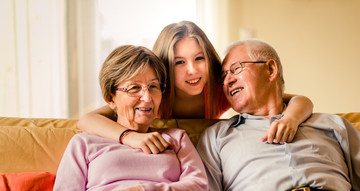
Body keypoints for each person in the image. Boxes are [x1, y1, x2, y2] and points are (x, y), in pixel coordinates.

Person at [197, 39, 360, 191]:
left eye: (236, 69)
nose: (227, 81)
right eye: (223, 77)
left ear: (271, 69)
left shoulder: (333, 124)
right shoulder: (216, 136)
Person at [77, 21, 313, 154]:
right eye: (180, 62)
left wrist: (290, 119)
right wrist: (129, 137)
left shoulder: (219, 91)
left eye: (199, 58)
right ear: (167, 67)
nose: (193, 70)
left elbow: (299, 100)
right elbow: (86, 120)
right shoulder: (154, 96)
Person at [51, 45, 209, 191]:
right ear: (111, 98)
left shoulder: (176, 138)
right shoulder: (85, 143)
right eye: (134, 88)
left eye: (153, 86)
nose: (147, 97)